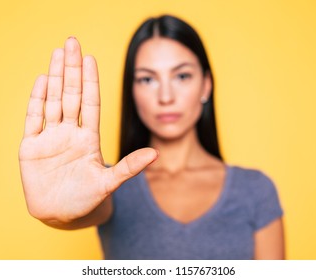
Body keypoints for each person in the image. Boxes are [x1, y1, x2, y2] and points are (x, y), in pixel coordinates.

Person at [19, 15, 284, 259]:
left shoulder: (255, 191)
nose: (166, 97)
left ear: (206, 85)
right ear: (132, 91)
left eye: (182, 76)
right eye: (147, 80)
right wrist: (54, 211)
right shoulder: (109, 185)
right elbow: (79, 207)